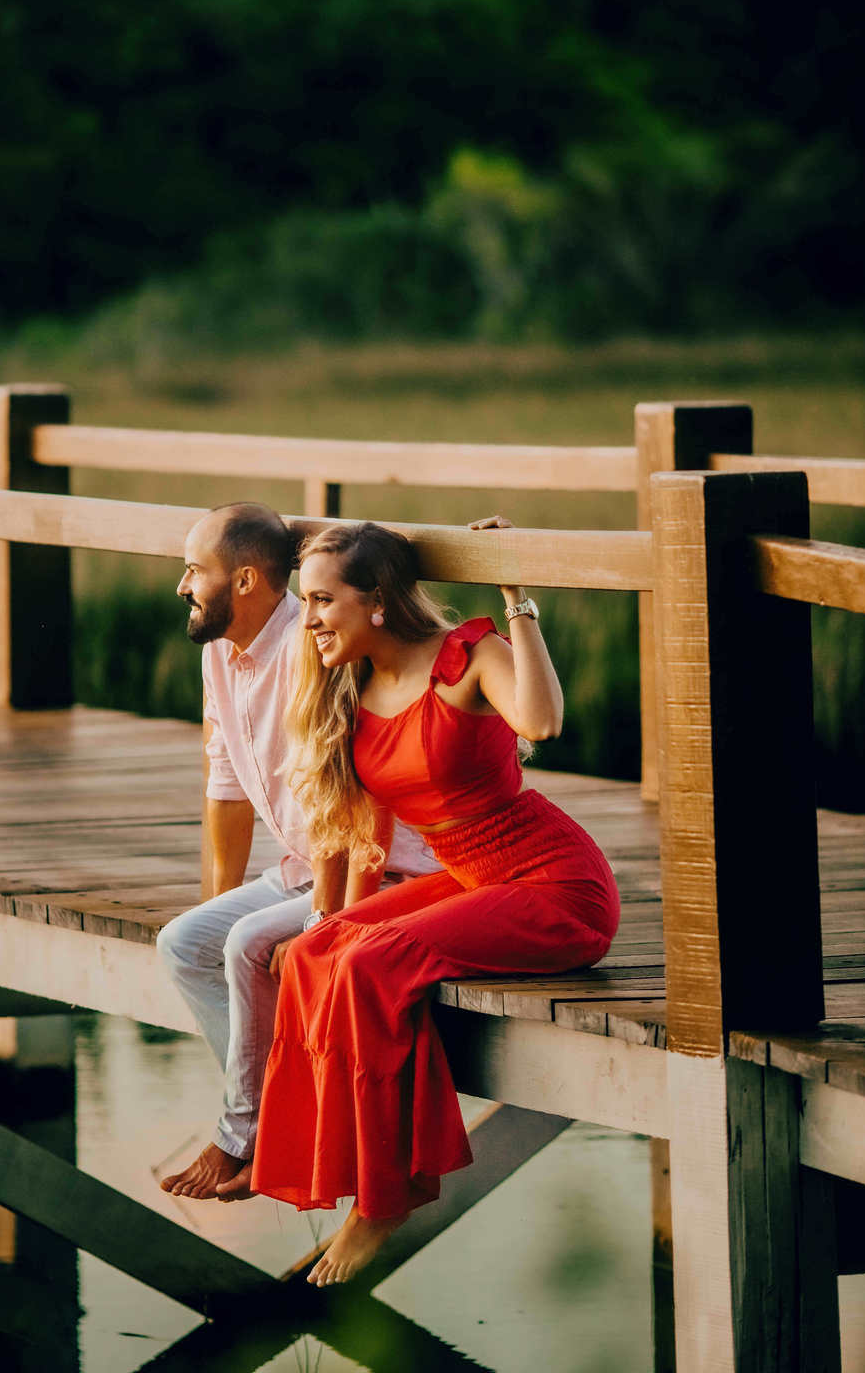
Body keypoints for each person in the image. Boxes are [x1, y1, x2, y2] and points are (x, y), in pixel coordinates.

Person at [249, 518, 621, 1284]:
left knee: (373, 965)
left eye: (322, 600)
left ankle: (387, 1197)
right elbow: (367, 836)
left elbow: (544, 724)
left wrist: (518, 598)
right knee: (318, 953)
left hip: (555, 886)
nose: (308, 618)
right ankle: (349, 1163)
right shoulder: (356, 682)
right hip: (471, 879)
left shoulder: (469, 658)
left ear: (377, 598)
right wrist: (335, 919)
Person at [156, 502, 438, 1202]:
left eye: (195, 571)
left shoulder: (311, 647)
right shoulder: (223, 653)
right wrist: (218, 901)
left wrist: (324, 920)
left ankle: (248, 1135)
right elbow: (224, 785)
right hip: (300, 865)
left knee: (249, 944)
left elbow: (349, 800)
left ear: (247, 581)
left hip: (383, 869)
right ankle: (278, 1119)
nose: (183, 587)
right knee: (186, 941)